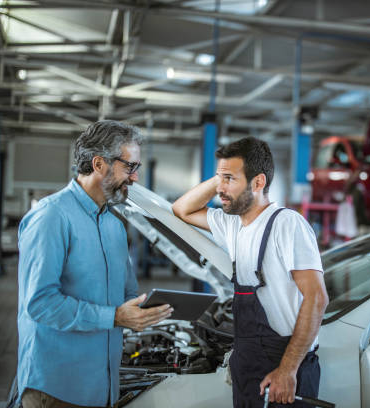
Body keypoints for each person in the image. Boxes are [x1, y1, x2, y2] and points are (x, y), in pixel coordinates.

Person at [17, 120, 173, 408]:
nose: (135, 178)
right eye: (130, 167)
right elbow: (40, 304)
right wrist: (114, 316)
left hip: (102, 387)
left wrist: (144, 310)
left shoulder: (114, 226)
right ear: (99, 163)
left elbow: (126, 295)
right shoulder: (52, 217)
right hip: (56, 389)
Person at [172, 137, 328, 407]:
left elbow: (317, 298)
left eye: (230, 179)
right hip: (247, 363)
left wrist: (288, 370)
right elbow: (181, 209)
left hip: (284, 368)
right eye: (221, 179)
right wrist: (222, 177)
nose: (221, 189)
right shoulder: (232, 225)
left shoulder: (287, 224)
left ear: (258, 182)